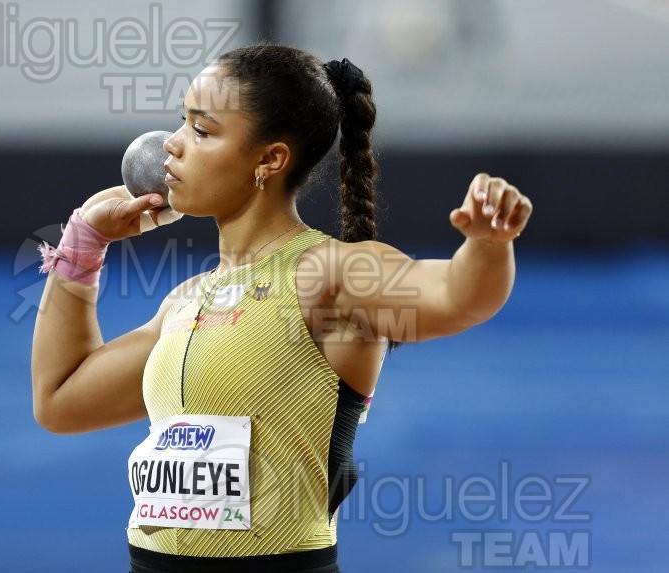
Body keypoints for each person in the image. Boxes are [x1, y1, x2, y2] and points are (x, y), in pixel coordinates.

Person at [31, 43, 532, 573]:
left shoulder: (327, 276)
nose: (169, 147)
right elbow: (60, 401)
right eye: (181, 123)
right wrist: (82, 247)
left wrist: (488, 244)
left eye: (201, 131)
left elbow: (459, 298)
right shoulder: (185, 301)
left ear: (269, 159)